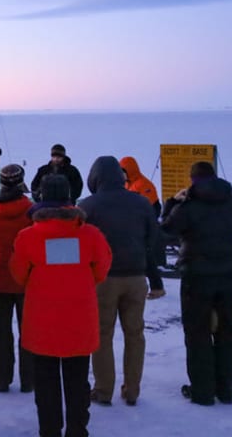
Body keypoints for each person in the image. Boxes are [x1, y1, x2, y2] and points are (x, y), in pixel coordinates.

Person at [11, 174, 112, 437]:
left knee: (45, 384)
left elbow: (19, 275)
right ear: (70, 198)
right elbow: (101, 269)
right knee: (78, 382)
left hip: (41, 321)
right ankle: (78, 431)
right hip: (79, 318)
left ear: (41, 198)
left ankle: (49, 431)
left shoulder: (27, 237)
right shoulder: (90, 235)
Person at [160, 161, 232, 406]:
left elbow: (167, 230)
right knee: (226, 332)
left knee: (198, 333)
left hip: (197, 276)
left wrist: (173, 202)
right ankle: (225, 389)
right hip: (229, 274)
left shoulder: (189, 207)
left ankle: (203, 391)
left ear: (193, 180)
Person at [78, 156, 158, 407]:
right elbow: (154, 240)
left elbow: (79, 244)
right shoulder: (141, 203)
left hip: (104, 279)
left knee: (102, 335)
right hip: (136, 277)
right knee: (135, 334)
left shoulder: (88, 205)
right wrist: (154, 277)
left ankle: (103, 390)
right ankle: (132, 389)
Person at [0, 164, 35, 393]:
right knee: (29, 331)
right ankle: (29, 379)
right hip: (26, 280)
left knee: (1, 332)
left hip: (0, 279)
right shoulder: (32, 211)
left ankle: (2, 378)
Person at [119, 155, 166, 300]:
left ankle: (157, 287)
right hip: (133, 225)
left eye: (123, 171)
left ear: (130, 170)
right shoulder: (128, 184)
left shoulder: (143, 185)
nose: (121, 174)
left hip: (142, 225)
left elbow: (151, 208)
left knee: (146, 256)